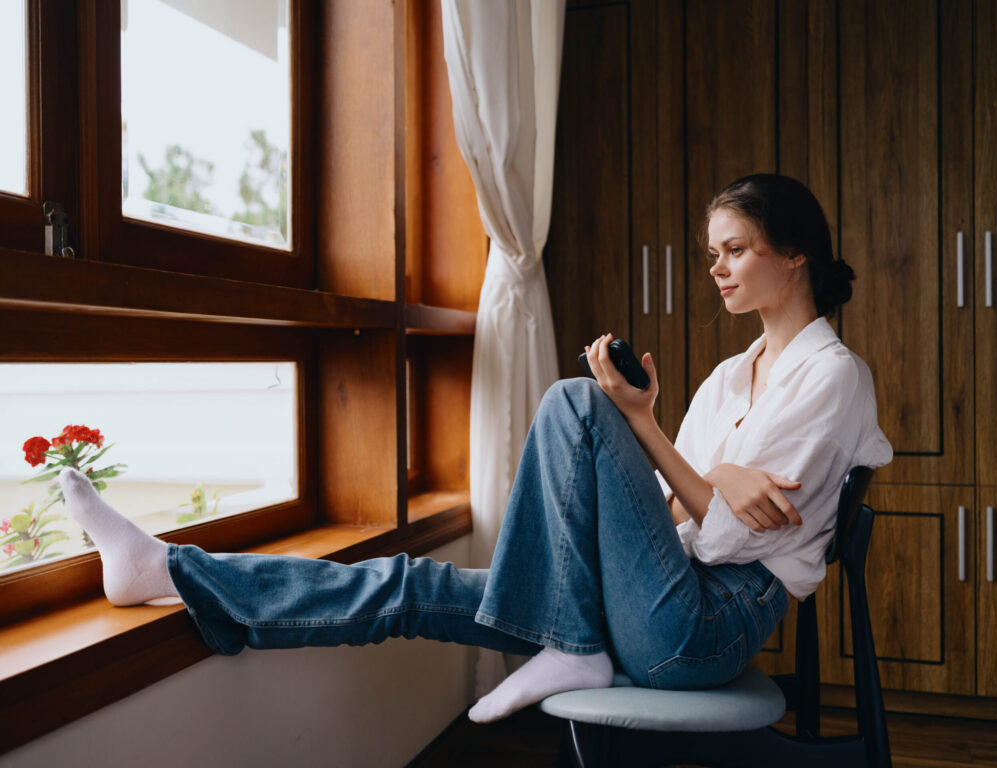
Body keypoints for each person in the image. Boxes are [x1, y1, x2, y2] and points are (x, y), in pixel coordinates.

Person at [58, 173, 892, 725]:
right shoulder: (726, 375)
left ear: (796, 255)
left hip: (704, 627)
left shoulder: (833, 377)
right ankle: (170, 571)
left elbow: (728, 538)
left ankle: (572, 646)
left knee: (574, 400)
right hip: (657, 593)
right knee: (415, 583)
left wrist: (655, 440)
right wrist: (696, 466)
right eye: (713, 253)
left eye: (736, 250)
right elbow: (683, 511)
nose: (717, 268)